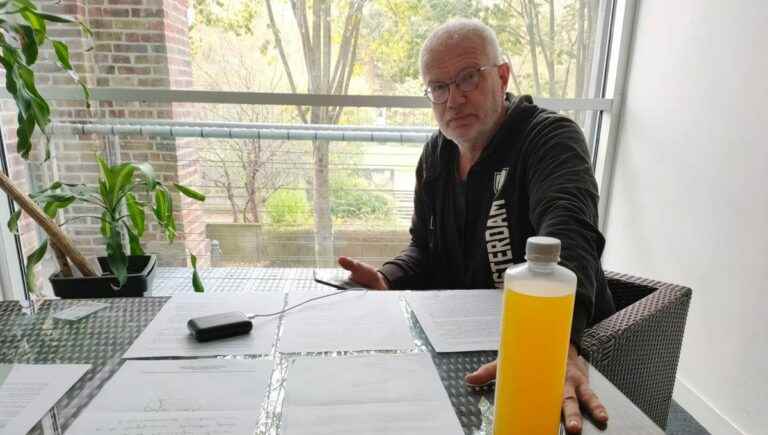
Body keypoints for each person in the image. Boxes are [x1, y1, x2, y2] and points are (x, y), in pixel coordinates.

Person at [338, 18, 616, 433]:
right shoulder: (436, 155)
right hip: (463, 342)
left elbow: (569, 231)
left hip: (552, 341)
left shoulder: (550, 138)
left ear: (502, 76)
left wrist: (556, 346)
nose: (454, 99)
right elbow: (423, 249)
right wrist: (386, 277)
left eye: (468, 78)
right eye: (439, 87)